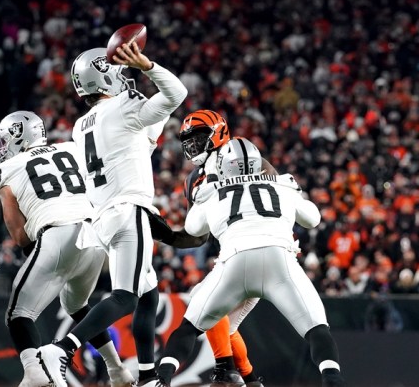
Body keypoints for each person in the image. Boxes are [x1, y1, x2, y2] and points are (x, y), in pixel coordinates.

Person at [37, 41, 189, 387]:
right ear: (106, 79)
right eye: (119, 73)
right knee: (126, 296)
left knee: (149, 295)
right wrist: (149, 66)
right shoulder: (124, 106)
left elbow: (142, 135)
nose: (125, 79)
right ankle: (63, 348)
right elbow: (177, 93)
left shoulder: (81, 125)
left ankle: (149, 377)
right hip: (127, 211)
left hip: (104, 217)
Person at [155, 138, 345, 387]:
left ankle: (163, 378)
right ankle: (332, 378)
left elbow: (192, 227)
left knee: (190, 327)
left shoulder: (213, 191)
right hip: (280, 262)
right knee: (317, 329)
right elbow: (313, 219)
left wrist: (207, 199)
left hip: (234, 262)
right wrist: (294, 192)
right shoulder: (282, 184)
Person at [0, 111, 134, 387]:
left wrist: (30, 248)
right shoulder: (72, 149)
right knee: (77, 304)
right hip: (94, 234)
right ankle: (116, 369)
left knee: (18, 314)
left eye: (5, 139)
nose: (2, 147)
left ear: (20, 136)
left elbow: (16, 229)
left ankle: (35, 373)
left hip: (57, 232)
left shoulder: (8, 169)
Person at [178, 110, 268, 386]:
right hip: (243, 252)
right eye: (189, 139)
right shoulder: (196, 176)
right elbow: (198, 222)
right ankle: (249, 379)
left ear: (219, 133)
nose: (193, 145)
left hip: (252, 249)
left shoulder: (244, 157)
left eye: (200, 137)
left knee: (205, 303)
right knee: (223, 325)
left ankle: (226, 370)